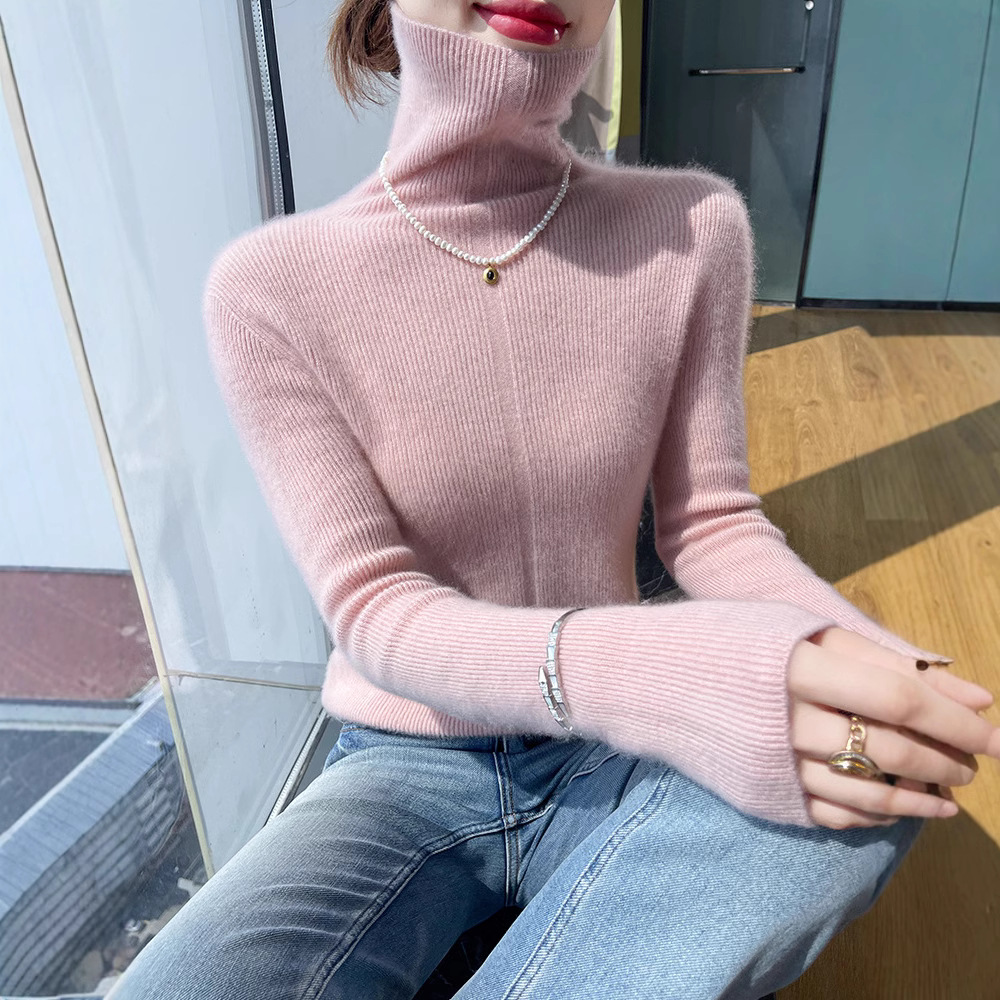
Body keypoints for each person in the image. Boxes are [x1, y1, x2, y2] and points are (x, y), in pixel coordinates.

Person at [108, 1, 1000, 997]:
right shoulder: (269, 287)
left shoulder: (692, 228)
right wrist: (673, 666)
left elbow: (711, 524)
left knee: (869, 790)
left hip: (622, 747)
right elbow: (373, 609)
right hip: (405, 761)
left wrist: (868, 666)